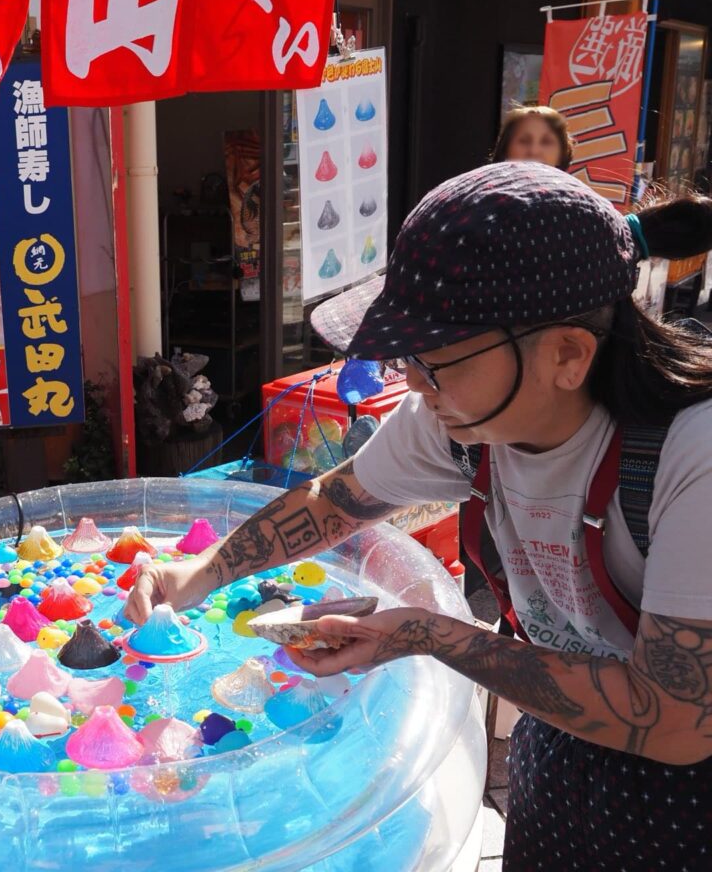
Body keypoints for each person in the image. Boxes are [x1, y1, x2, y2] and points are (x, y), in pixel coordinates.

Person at [127, 161, 712, 871]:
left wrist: (427, 634)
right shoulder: (457, 418)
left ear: (567, 354)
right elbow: (335, 501)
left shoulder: (693, 456)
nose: (412, 383)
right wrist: (200, 572)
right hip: (561, 747)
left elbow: (677, 721)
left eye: (437, 362)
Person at [490, 105, 574, 171]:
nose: (534, 151)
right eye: (524, 141)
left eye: (546, 142)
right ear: (506, 149)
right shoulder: (482, 190)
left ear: (561, 154)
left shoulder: (576, 192)